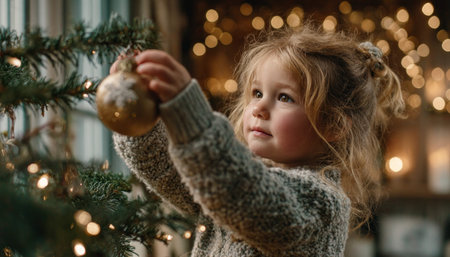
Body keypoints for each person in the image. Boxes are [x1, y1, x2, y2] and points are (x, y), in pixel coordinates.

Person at [111, 23, 405, 257]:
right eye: (256, 93)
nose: (260, 108)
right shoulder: (230, 181)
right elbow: (169, 171)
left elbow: (245, 195)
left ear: (333, 125)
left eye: (285, 97)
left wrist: (190, 114)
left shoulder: (322, 204)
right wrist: (138, 120)